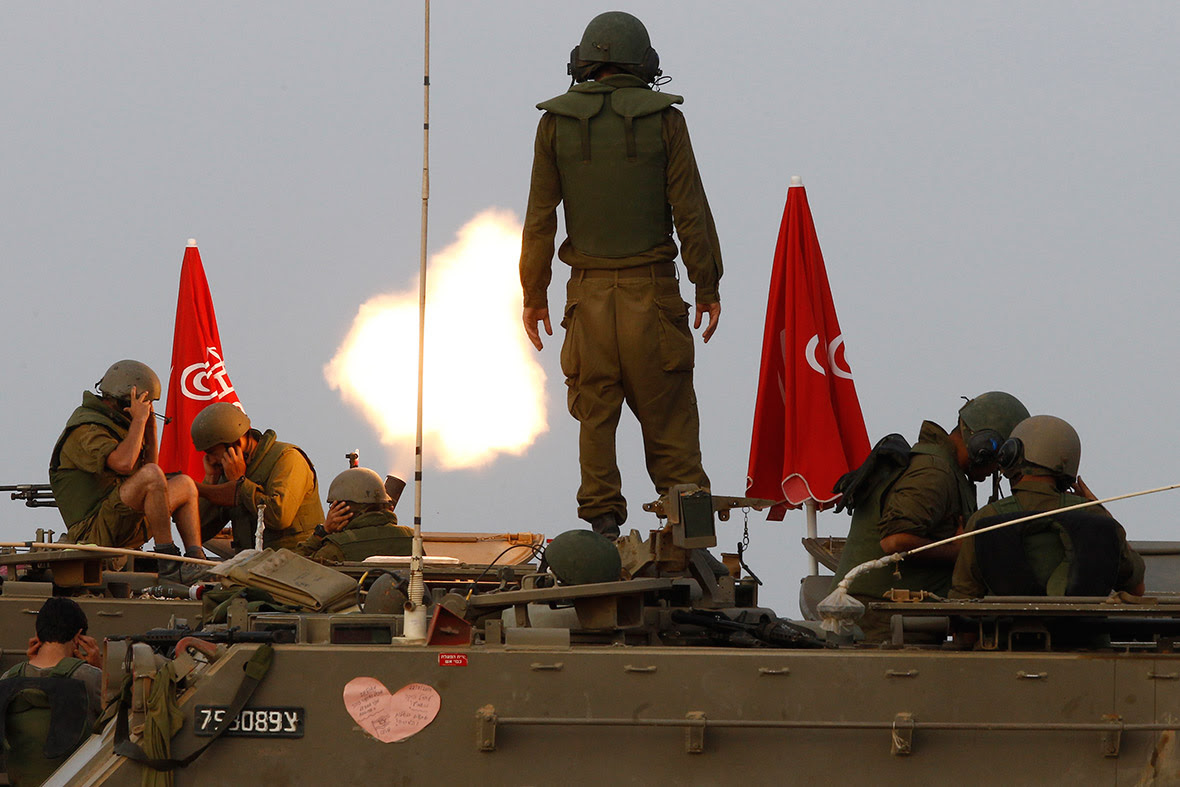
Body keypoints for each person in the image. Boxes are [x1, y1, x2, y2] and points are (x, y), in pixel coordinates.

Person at [519, 11, 723, 539]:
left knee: (595, 418)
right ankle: (692, 546)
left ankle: (604, 533)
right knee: (674, 430)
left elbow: (540, 219)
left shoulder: (554, 123)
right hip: (654, 295)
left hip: (585, 298)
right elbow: (690, 211)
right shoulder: (666, 120)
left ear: (585, 62)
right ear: (644, 62)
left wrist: (534, 294)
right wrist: (707, 284)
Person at [828, 391, 1029, 640]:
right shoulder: (934, 473)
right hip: (881, 623)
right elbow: (894, 541)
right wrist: (956, 551)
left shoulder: (946, 469)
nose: (997, 469)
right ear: (984, 447)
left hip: (897, 620)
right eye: (998, 459)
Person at [951, 415, 1145, 599]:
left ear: (1012, 455)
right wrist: (1100, 510)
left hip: (1006, 633)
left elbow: (964, 601)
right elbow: (1136, 589)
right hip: (1084, 634)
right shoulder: (1096, 518)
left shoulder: (985, 520)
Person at [49, 360, 204, 583]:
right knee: (151, 475)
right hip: (92, 532)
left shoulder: (123, 427)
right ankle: (168, 562)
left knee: (186, 485)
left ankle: (195, 560)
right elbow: (125, 464)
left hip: (121, 520)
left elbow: (152, 475)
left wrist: (149, 427)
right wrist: (139, 421)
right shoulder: (85, 430)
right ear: (122, 402)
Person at [192, 402, 323, 551]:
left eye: (212, 453)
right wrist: (211, 481)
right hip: (252, 565)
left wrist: (240, 483)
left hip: (296, 563)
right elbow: (198, 533)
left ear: (235, 444)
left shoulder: (287, 458)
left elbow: (280, 517)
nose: (211, 460)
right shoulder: (227, 472)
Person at [0, 597, 103, 787]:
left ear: (39, 636)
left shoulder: (8, 679)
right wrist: (100, 670)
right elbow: (115, 724)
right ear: (79, 637)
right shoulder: (90, 678)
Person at [293, 467, 413, 564]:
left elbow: (292, 567)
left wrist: (322, 531)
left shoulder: (336, 548)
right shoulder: (411, 538)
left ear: (342, 510)